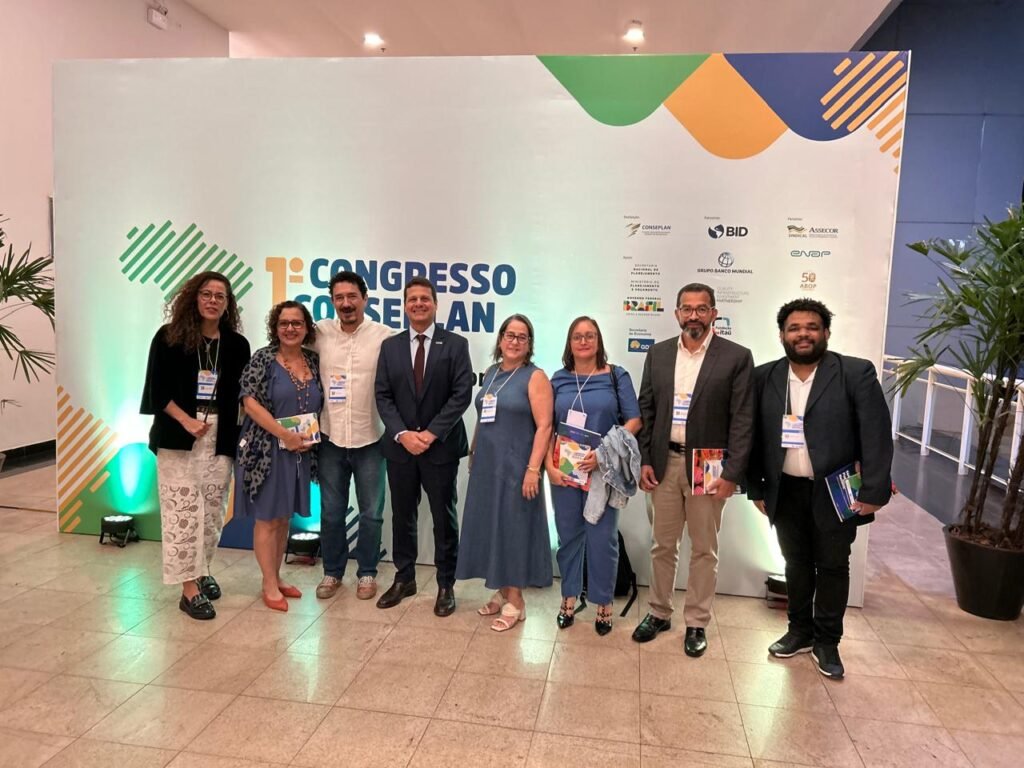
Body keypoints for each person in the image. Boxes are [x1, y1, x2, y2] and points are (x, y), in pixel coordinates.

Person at [747, 298, 893, 679]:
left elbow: (876, 435)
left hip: (837, 490)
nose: (803, 334)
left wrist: (873, 492)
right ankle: (799, 631)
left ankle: (827, 642)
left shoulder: (854, 373)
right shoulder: (764, 377)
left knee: (832, 566)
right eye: (794, 328)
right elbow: (753, 437)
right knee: (794, 563)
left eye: (811, 327)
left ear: (826, 332)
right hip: (785, 490)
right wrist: (755, 488)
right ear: (782, 335)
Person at [631, 282, 754, 657]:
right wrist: (645, 459)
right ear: (677, 314)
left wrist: (731, 474)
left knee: (704, 549)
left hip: (710, 465)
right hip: (664, 462)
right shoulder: (658, 354)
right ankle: (659, 612)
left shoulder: (736, 357)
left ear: (714, 313)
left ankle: (697, 621)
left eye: (702, 309)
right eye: (687, 308)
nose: (694, 315)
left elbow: (743, 420)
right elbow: (647, 410)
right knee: (662, 545)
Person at [140, 271, 251, 620]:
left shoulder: (236, 345)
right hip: (179, 435)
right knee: (183, 513)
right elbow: (157, 391)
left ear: (228, 304)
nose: (213, 301)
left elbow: (244, 396)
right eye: (206, 294)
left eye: (220, 296)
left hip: (221, 437)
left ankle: (202, 570)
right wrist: (186, 420)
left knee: (212, 513)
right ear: (193, 297)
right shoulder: (169, 337)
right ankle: (188, 589)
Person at [374, 276, 474, 617]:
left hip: (440, 448)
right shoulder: (390, 347)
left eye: (424, 299)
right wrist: (403, 434)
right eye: (412, 299)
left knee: (444, 518)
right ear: (404, 306)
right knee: (402, 516)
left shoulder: (456, 344)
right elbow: (383, 395)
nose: (418, 304)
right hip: (400, 449)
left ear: (435, 304)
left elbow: (461, 394)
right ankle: (405, 579)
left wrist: (430, 434)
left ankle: (446, 584)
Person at [456, 315, 554, 631]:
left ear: (529, 344)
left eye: (522, 337)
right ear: (500, 340)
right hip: (487, 465)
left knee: (513, 530)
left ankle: (517, 601)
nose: (514, 341)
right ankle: (501, 590)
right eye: (510, 335)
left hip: (517, 467)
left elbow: (545, 426)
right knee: (492, 527)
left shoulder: (535, 377)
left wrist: (533, 470)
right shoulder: (492, 373)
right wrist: (474, 450)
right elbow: (484, 417)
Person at [546, 316, 642, 635]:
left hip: (603, 471)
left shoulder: (616, 376)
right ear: (569, 342)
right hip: (566, 472)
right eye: (577, 336)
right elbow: (546, 427)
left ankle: (603, 603)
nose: (584, 341)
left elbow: (634, 421)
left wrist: (602, 454)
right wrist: (549, 467)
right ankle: (569, 597)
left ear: (598, 341)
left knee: (603, 539)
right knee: (568, 537)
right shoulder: (558, 379)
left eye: (590, 335)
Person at [235, 301, 323, 612]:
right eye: (284, 323)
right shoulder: (263, 359)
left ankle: (276, 575)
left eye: (297, 323)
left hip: (299, 452)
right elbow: (249, 402)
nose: (290, 328)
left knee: (284, 517)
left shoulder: (313, 360)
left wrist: (307, 437)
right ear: (275, 328)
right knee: (267, 518)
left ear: (306, 328)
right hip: (266, 451)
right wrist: (283, 434)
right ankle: (268, 583)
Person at [313, 271, 393, 600]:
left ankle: (367, 572)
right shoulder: (318, 333)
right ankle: (332, 572)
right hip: (330, 438)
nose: (346, 303)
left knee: (371, 513)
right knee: (331, 512)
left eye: (352, 297)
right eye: (339, 298)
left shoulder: (385, 336)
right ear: (332, 301)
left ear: (365, 298)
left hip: (371, 437)